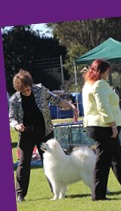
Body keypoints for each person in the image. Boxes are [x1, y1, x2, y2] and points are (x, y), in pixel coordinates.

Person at [9, 69, 78, 202]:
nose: (27, 92)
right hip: (26, 135)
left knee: (52, 161)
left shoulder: (40, 90)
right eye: (24, 91)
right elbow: (11, 117)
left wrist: (71, 106)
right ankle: (20, 194)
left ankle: (56, 191)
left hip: (45, 132)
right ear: (19, 90)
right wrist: (17, 125)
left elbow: (56, 100)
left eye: (28, 89)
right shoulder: (14, 99)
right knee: (23, 163)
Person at [81, 59, 121, 201]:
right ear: (102, 71)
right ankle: (98, 194)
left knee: (117, 159)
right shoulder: (100, 85)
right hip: (103, 126)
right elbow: (103, 107)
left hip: (96, 124)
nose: (109, 74)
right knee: (103, 161)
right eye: (107, 71)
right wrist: (112, 125)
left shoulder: (88, 84)